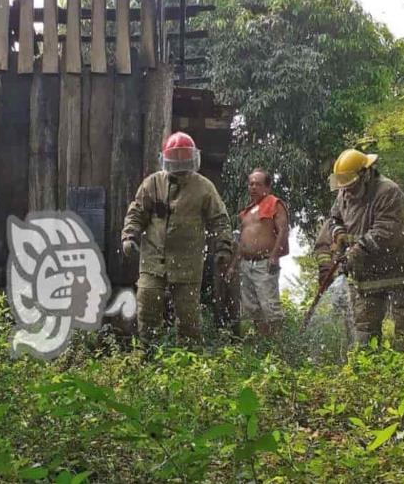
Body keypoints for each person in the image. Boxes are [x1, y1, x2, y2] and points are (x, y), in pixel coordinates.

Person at [121, 132, 233, 343]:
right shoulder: (152, 183)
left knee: (189, 320)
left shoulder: (204, 188)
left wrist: (224, 247)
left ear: (193, 158)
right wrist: (130, 236)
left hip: (187, 264)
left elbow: (220, 220)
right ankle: (147, 357)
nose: (180, 162)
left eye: (184, 157)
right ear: (166, 159)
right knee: (147, 312)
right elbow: (136, 212)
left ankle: (188, 364)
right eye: (176, 157)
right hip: (153, 260)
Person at [314, 149, 404, 346]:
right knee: (365, 330)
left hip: (401, 269)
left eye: (351, 185)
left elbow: (384, 233)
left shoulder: (388, 192)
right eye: (344, 186)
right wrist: (339, 233)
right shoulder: (344, 192)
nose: (347, 190)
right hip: (367, 271)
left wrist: (353, 255)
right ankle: (370, 371)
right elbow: (334, 218)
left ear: (365, 174)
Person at [226, 169, 289, 337]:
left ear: (266, 188)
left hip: (264, 262)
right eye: (251, 184)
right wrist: (233, 266)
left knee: (270, 307)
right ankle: (262, 344)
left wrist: (274, 256)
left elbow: (283, 230)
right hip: (246, 264)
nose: (253, 187)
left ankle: (278, 347)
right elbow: (242, 242)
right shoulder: (247, 212)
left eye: (258, 184)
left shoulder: (274, 203)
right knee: (252, 307)